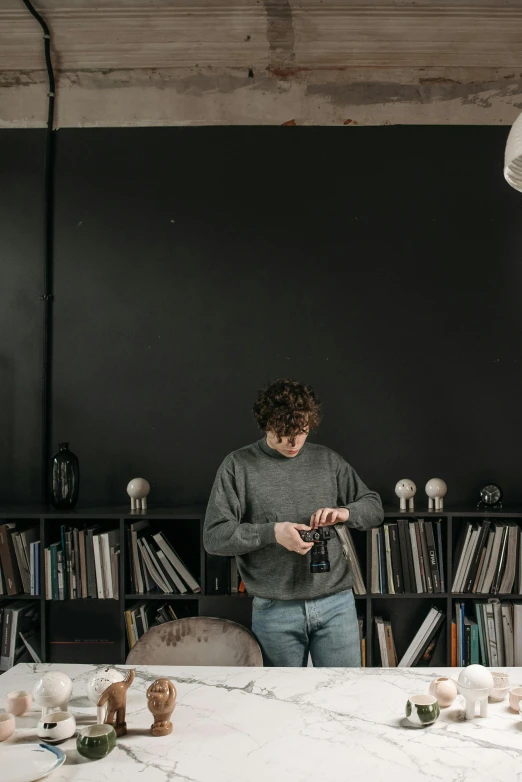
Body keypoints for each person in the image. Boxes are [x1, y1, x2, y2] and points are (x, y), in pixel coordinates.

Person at [203, 378, 383, 667]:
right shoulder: (238, 466)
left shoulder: (327, 460)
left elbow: (374, 507)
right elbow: (214, 537)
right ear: (265, 425)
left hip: (336, 603)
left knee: (344, 697)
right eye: (283, 434)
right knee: (281, 704)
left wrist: (344, 513)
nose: (294, 442)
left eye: (301, 432)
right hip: (275, 610)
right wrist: (272, 532)